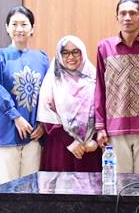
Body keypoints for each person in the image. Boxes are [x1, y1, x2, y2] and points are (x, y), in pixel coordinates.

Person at [94, 0, 139, 173]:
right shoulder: (104, 47)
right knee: (119, 185)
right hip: (115, 129)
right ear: (117, 17)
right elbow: (100, 89)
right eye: (123, 13)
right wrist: (100, 126)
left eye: (133, 13)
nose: (127, 17)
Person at [0, 6, 49, 184]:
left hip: (34, 135)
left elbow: (47, 94)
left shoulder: (42, 58)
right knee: (7, 192)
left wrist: (43, 124)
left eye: (24, 24)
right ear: (7, 27)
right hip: (6, 134)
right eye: (14, 24)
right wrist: (16, 117)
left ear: (32, 28)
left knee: (30, 191)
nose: (19, 29)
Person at [39, 36, 102, 172]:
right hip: (61, 148)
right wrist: (70, 142)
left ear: (82, 53)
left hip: (89, 149)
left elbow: (102, 111)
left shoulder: (94, 79)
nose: (70, 57)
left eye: (75, 51)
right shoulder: (53, 81)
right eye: (65, 52)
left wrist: (96, 141)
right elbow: (47, 114)